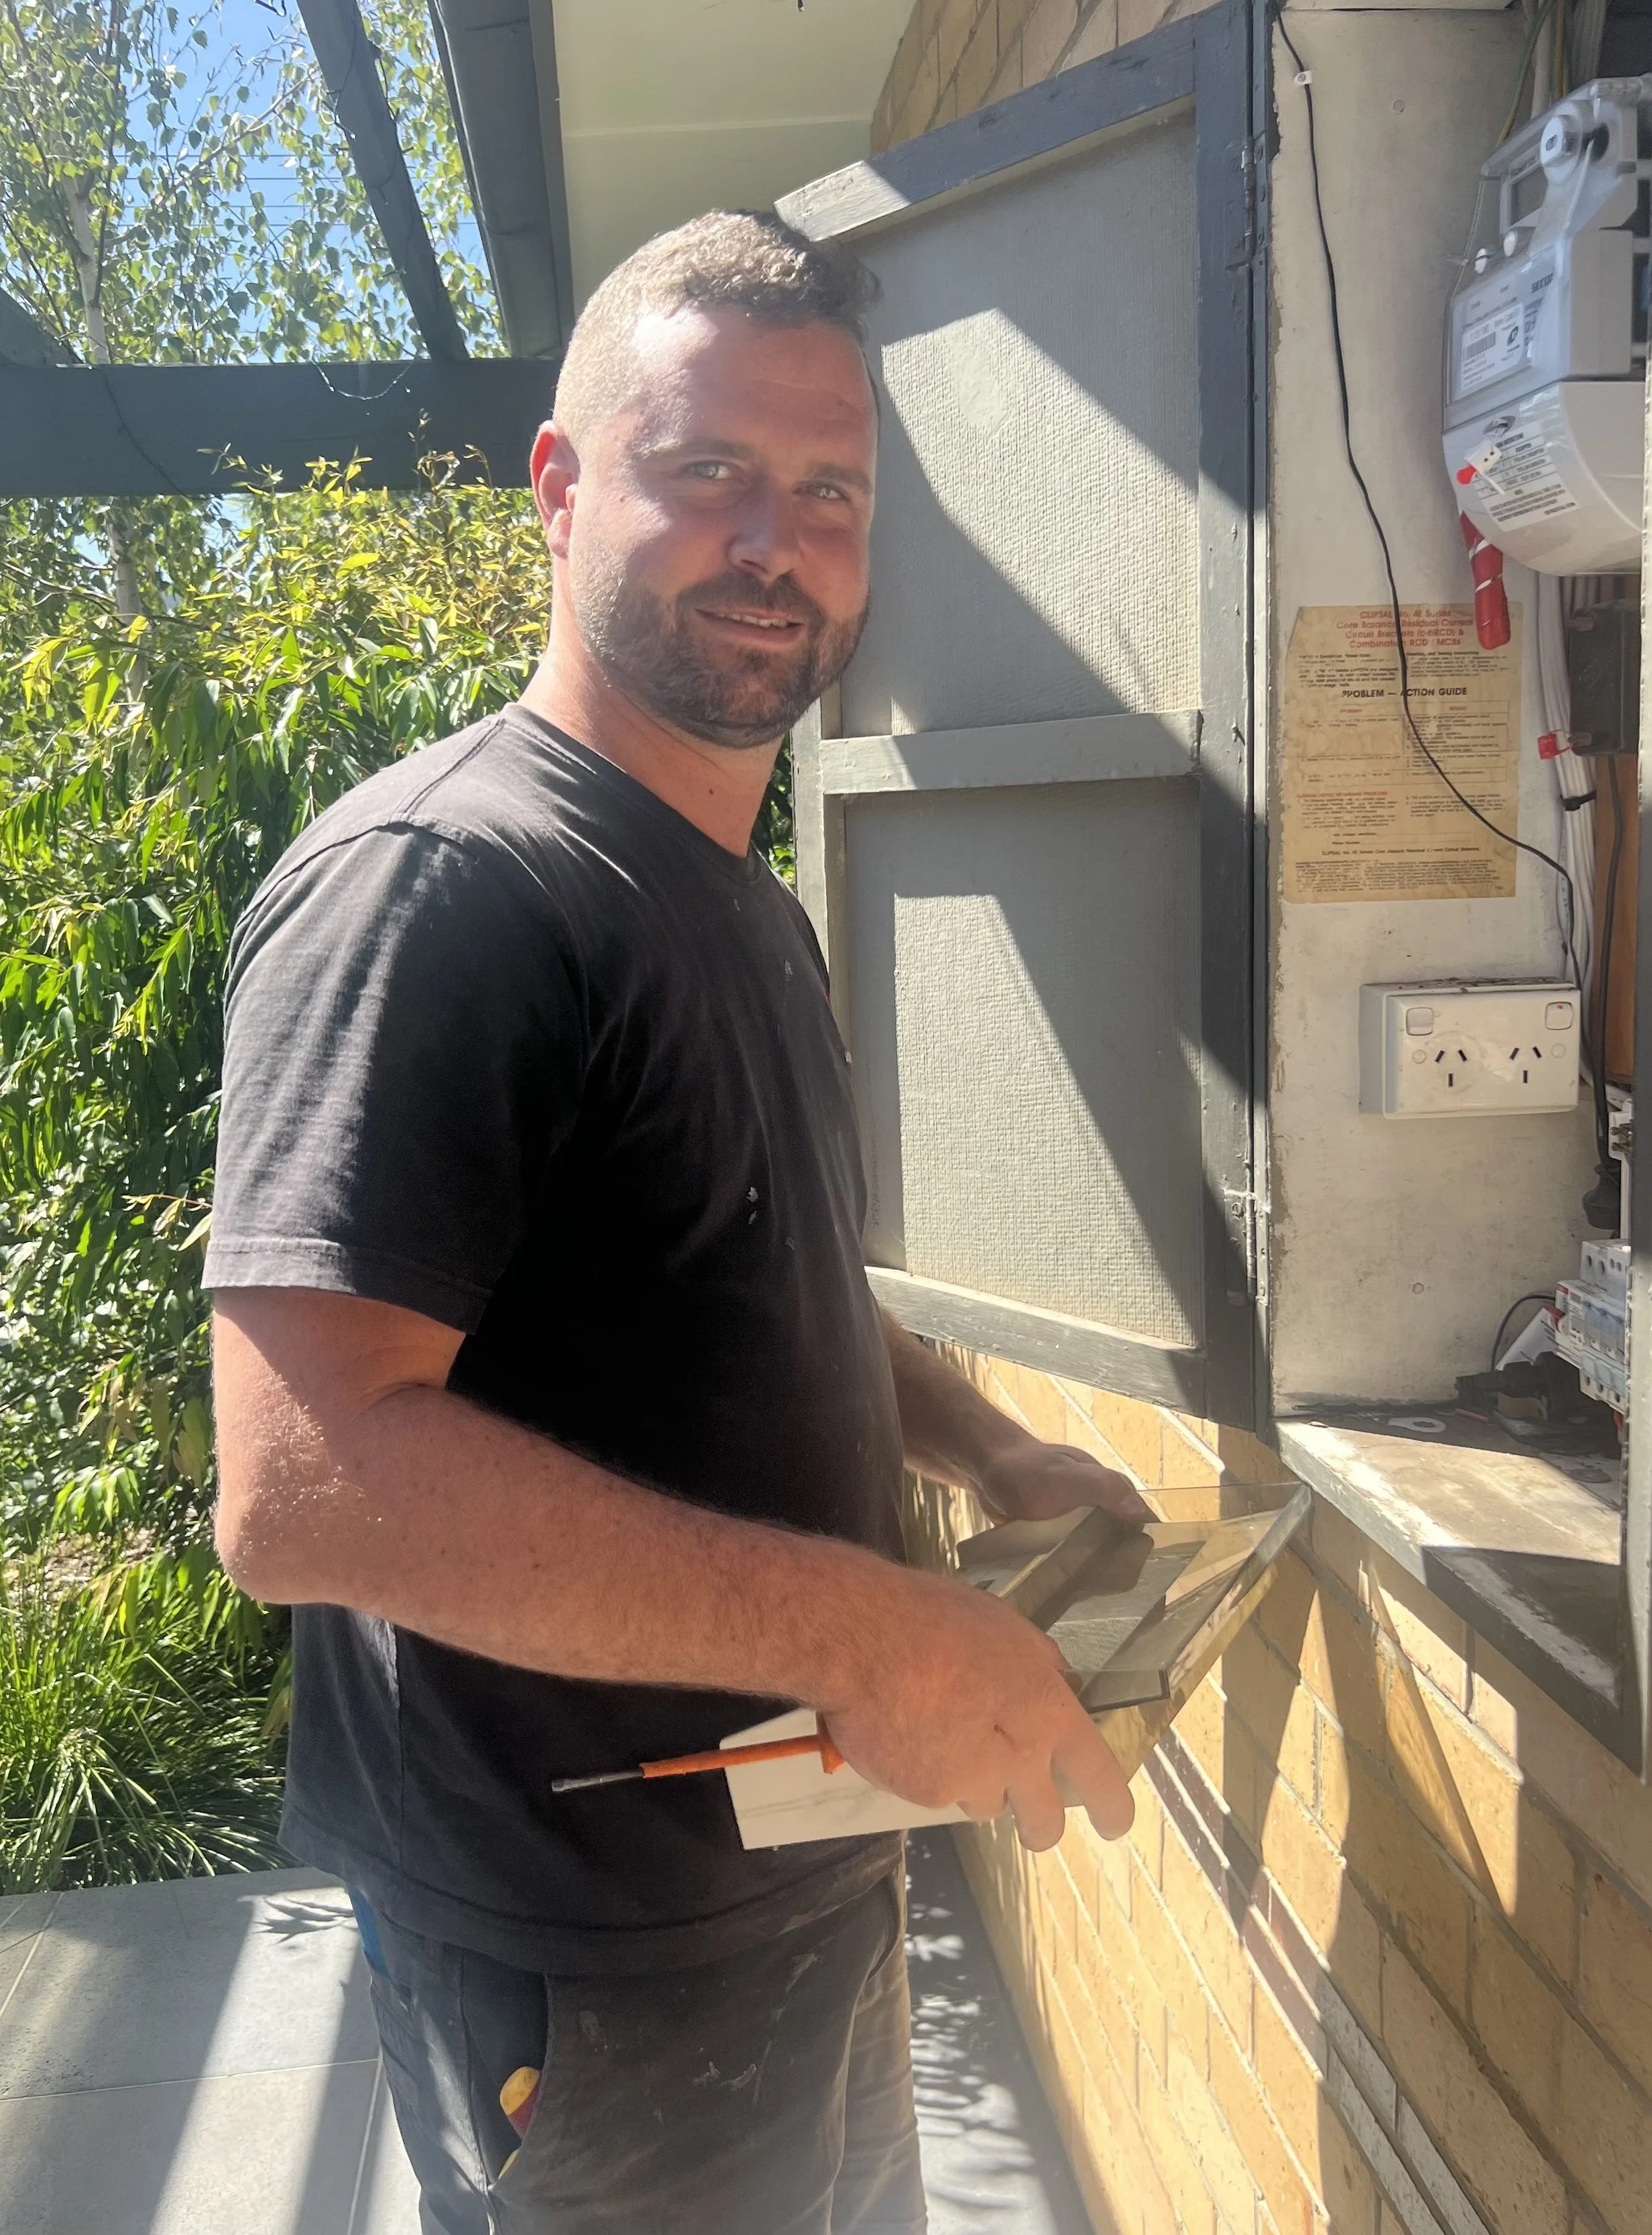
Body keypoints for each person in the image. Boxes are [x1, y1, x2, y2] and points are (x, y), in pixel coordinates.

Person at [207, 209, 1149, 2235]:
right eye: (705, 469)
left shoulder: (740, 899)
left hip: (799, 1872)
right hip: (586, 1949)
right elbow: (300, 1483)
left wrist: (978, 1447)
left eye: (826, 491)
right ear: (557, 488)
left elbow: (744, 1284)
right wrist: (873, 1622)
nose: (772, 539)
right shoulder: (444, 886)